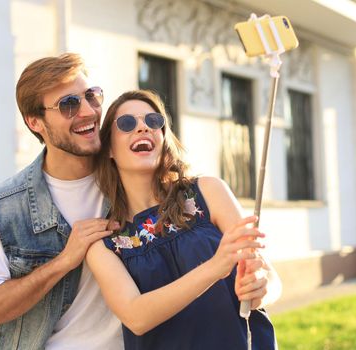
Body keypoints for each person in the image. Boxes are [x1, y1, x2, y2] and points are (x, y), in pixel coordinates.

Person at [87, 89, 281, 349]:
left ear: (163, 136)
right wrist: (215, 267)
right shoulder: (105, 244)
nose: (143, 127)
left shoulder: (209, 191)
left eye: (153, 121)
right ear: (109, 148)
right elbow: (136, 317)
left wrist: (261, 288)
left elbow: (270, 277)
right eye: (127, 123)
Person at [0, 53, 123, 349]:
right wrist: (63, 262)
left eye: (91, 96)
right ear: (35, 121)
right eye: (69, 105)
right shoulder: (10, 207)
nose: (89, 112)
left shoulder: (129, 181)